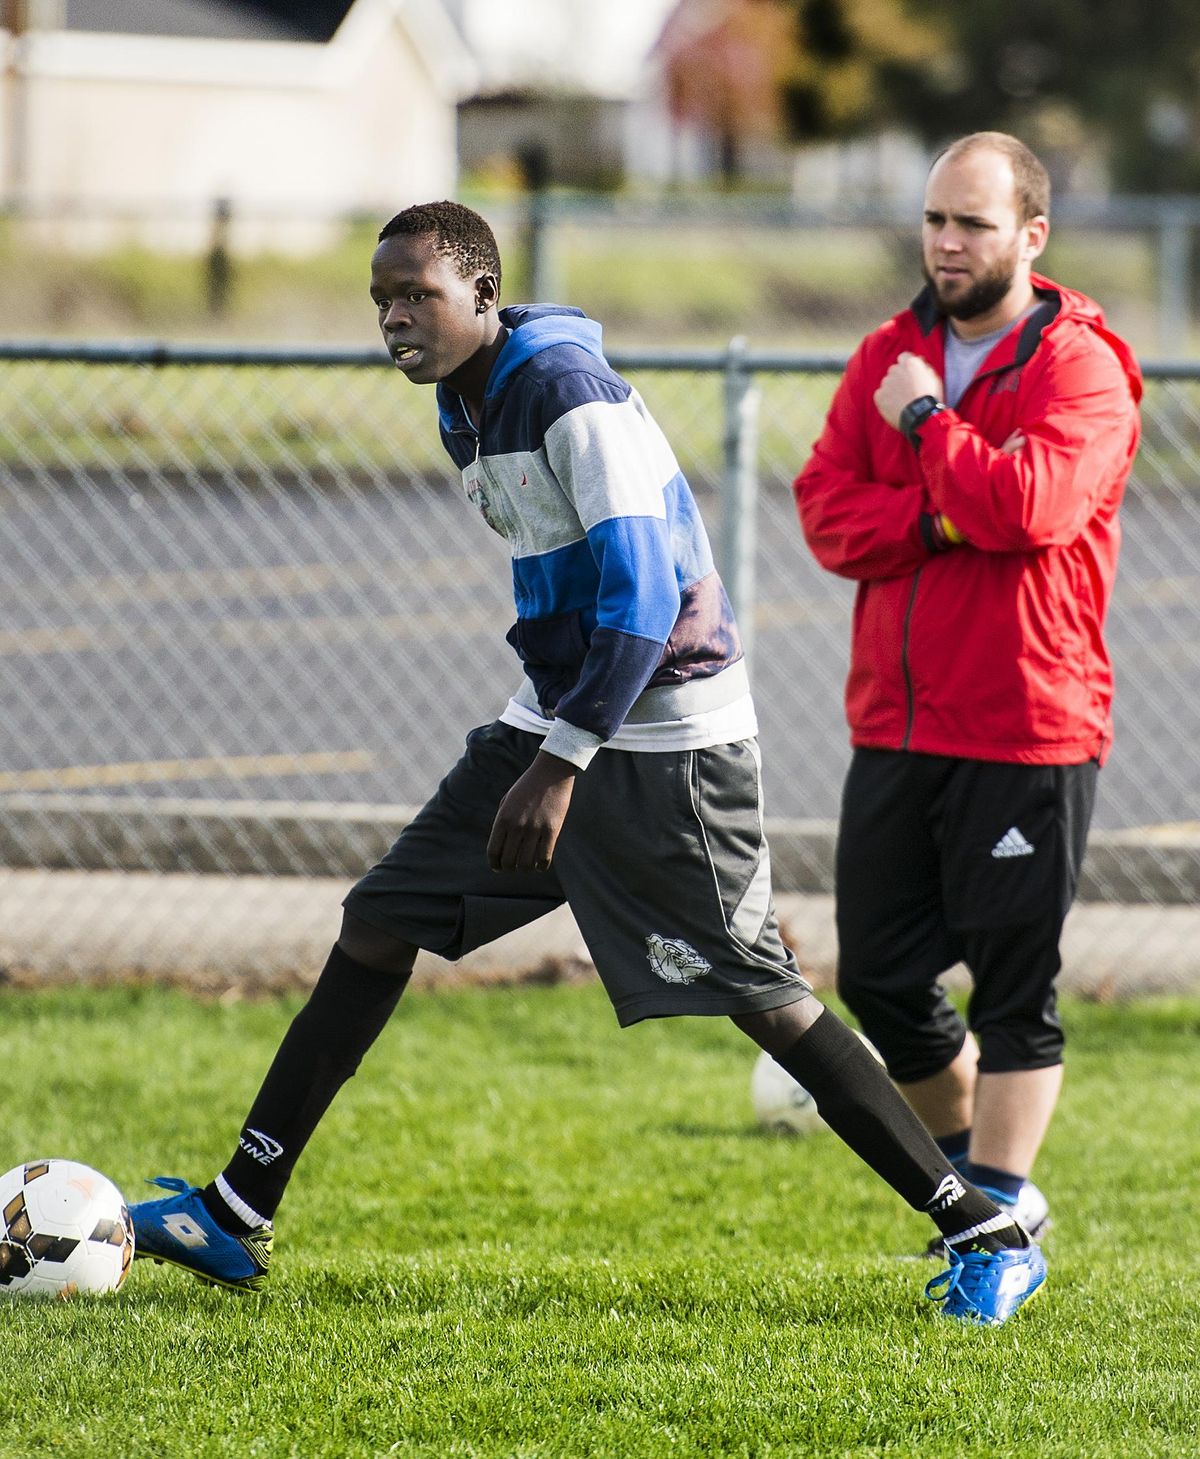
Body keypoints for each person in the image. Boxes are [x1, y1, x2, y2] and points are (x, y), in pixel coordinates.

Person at [130, 199, 1045, 1325]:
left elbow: (648, 599)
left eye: (418, 294)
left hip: (665, 742)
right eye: (381, 299)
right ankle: (235, 1208)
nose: (395, 318)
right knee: (379, 920)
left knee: (760, 995)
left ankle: (987, 1230)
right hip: (559, 723)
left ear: (481, 291)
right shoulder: (463, 404)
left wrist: (558, 763)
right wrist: (546, 740)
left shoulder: (567, 391)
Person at [793, 133, 1141, 1255]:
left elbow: (1032, 508)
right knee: (884, 981)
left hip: (1027, 727)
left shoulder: (1080, 365)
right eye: (936, 220)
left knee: (1011, 993)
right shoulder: (889, 349)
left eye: (973, 224)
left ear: (1031, 236)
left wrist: (927, 427)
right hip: (895, 724)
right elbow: (825, 512)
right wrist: (940, 514)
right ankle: (987, 1194)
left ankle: (991, 1211)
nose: (947, 243)